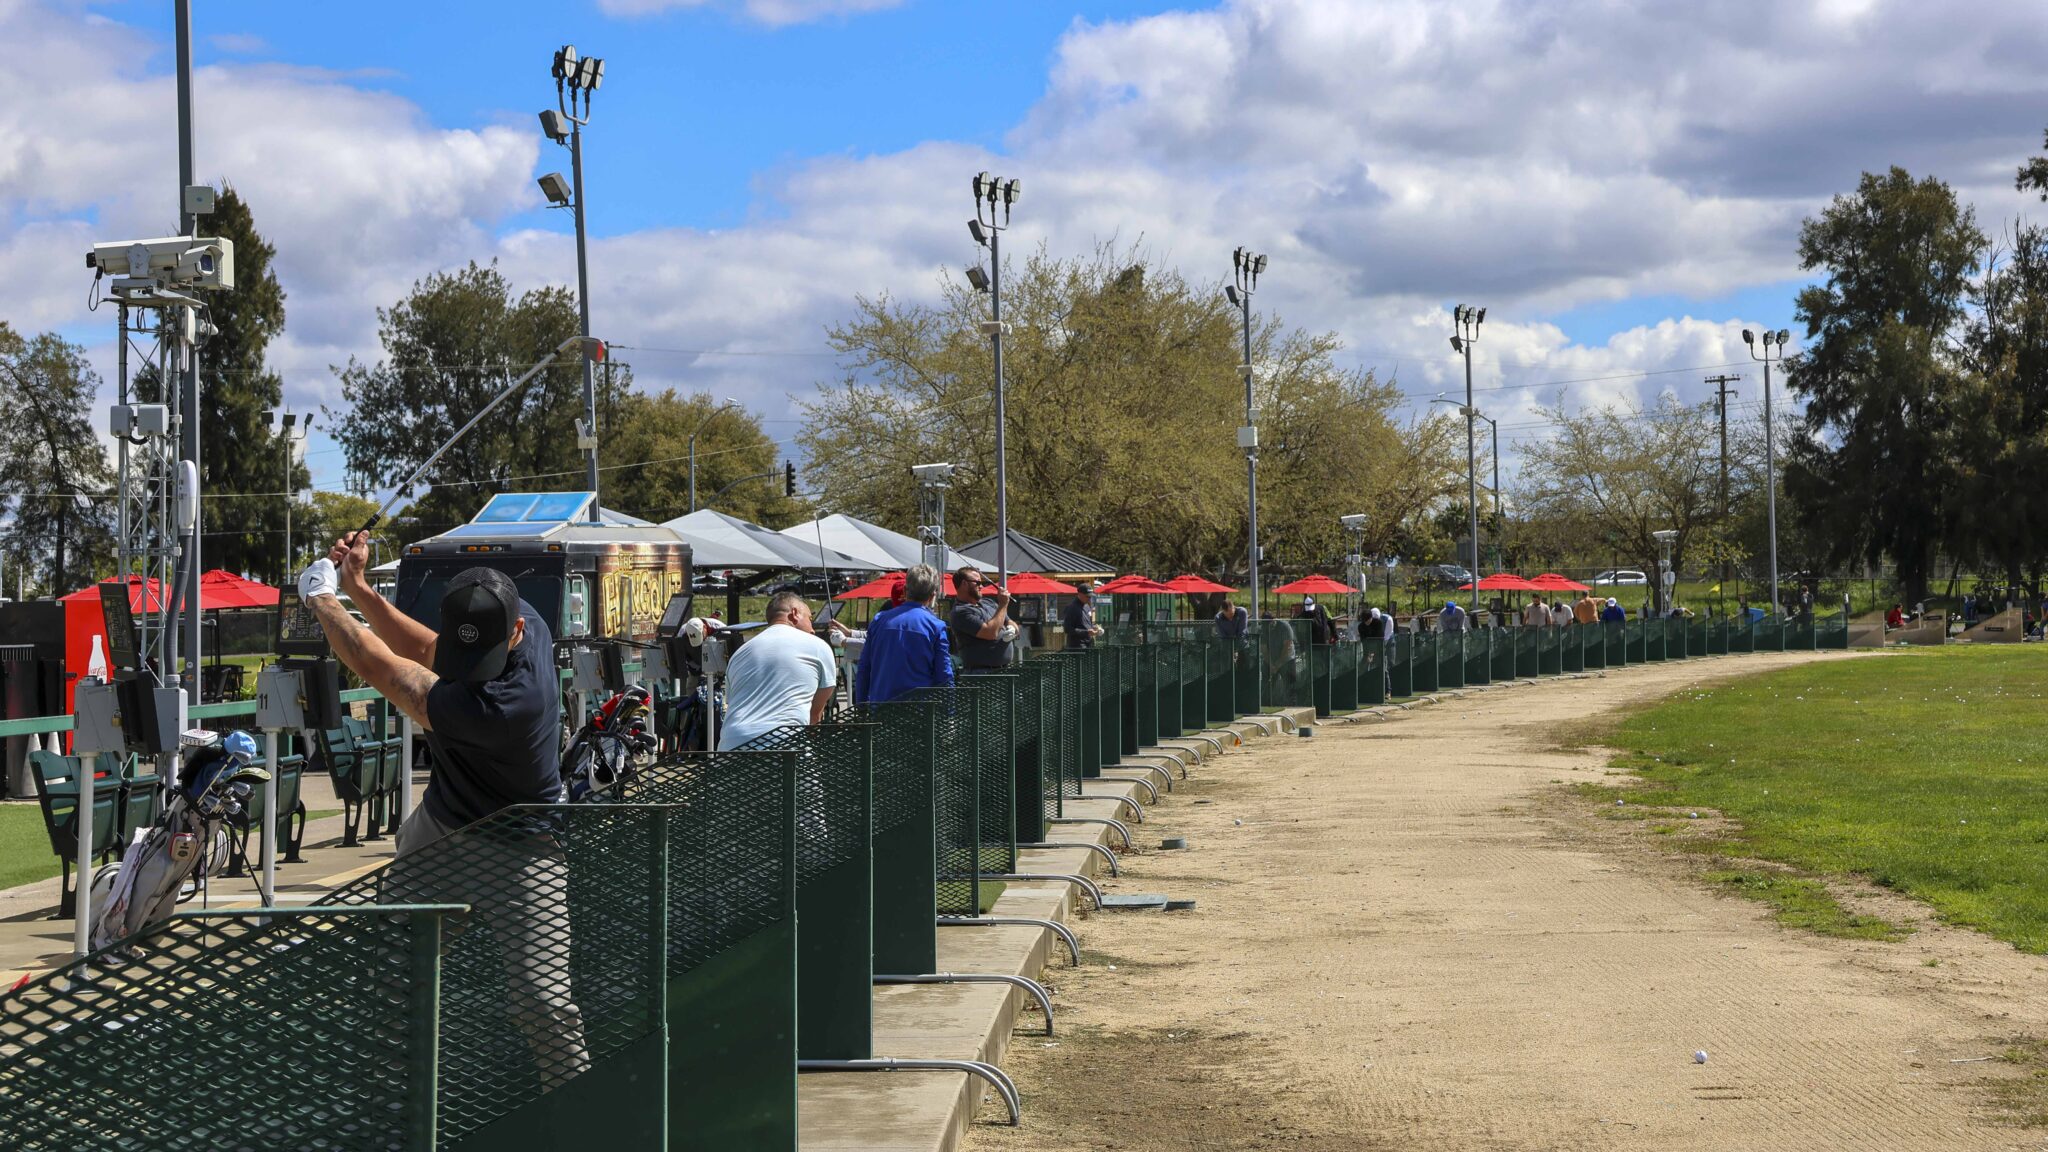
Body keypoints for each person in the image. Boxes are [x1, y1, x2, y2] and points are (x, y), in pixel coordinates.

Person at [297, 538, 587, 1089]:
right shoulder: (518, 614)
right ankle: (394, 1103)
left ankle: (573, 1105)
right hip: (442, 828)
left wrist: (322, 599)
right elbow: (431, 649)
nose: (472, 667)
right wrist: (359, 588)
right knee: (394, 977)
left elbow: (378, 665)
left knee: (541, 1000)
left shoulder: (507, 705)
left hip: (522, 845)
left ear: (517, 633)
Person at [719, 591, 837, 750]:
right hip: (785, 744)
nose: (813, 629)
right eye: (810, 619)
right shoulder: (818, 646)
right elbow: (814, 716)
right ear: (795, 613)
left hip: (731, 743)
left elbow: (734, 703)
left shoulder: (739, 654)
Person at [856, 564, 953, 705]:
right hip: (920, 711)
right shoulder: (936, 626)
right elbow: (944, 674)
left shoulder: (879, 620)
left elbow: (864, 668)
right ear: (933, 595)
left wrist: (861, 706)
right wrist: (949, 712)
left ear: (905, 591)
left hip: (881, 707)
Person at [949, 566, 1016, 671]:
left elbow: (1011, 622)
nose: (981, 586)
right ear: (964, 584)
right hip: (981, 673)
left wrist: (1012, 629)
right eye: (978, 583)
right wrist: (1003, 605)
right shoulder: (960, 612)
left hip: (1004, 670)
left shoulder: (988, 603)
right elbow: (990, 633)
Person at [1062, 582, 1102, 650]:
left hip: (1088, 644)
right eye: (1087, 596)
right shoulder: (1071, 608)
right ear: (1080, 594)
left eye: (1090, 596)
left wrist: (1095, 627)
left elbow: (1086, 624)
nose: (1089, 598)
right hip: (1077, 647)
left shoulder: (1087, 606)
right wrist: (1086, 632)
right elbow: (1067, 629)